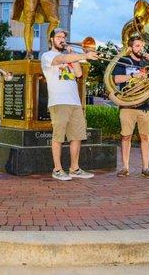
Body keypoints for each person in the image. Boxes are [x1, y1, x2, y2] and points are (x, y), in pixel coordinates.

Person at [40, 28, 97, 181]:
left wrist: (75, 57)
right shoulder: (47, 56)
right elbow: (59, 61)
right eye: (58, 36)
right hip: (59, 101)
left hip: (74, 102)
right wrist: (84, 55)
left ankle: (74, 168)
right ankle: (57, 169)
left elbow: (78, 74)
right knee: (58, 136)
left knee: (77, 136)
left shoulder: (69, 57)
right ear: (51, 39)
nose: (62, 39)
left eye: (64, 37)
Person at [112, 36, 149, 178]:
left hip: (145, 105)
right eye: (137, 46)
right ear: (130, 47)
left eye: (141, 46)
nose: (140, 49)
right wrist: (133, 76)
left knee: (145, 137)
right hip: (128, 105)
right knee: (126, 137)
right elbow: (115, 79)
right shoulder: (124, 61)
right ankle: (125, 167)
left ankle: (146, 168)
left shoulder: (146, 62)